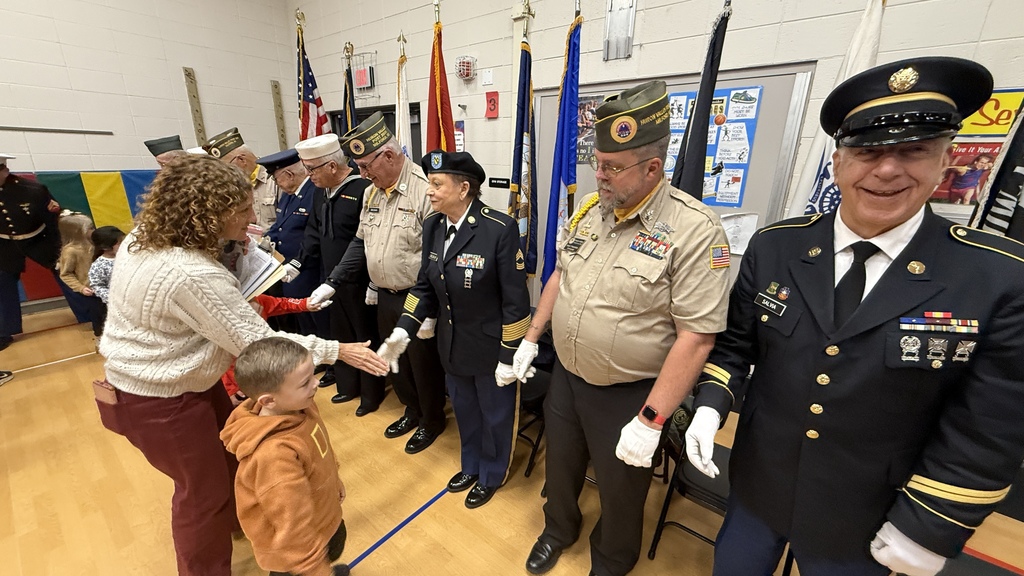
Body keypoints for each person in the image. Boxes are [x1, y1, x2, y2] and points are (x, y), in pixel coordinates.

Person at [684, 57, 1024, 576]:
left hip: (875, 514)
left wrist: (931, 525)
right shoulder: (777, 247)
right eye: (867, 152)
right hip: (759, 485)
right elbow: (735, 347)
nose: (887, 170)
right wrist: (710, 405)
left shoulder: (996, 277)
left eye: (913, 151)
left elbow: (990, 428)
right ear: (839, 162)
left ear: (944, 161)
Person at [98, 154, 387, 576]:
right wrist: (337, 351)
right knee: (202, 496)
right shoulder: (189, 273)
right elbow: (259, 343)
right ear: (205, 215)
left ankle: (245, 525)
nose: (252, 217)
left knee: (233, 459)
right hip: (160, 396)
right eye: (239, 212)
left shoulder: (147, 235)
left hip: (186, 378)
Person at [513, 80, 732, 576]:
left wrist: (652, 418)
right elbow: (559, 277)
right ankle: (558, 529)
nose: (600, 175)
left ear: (652, 168)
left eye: (613, 167)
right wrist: (530, 339)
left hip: (630, 393)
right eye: (598, 162)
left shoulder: (695, 231)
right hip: (569, 378)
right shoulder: (592, 212)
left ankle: (611, 560)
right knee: (562, 465)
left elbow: (697, 337)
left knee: (620, 487)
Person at [380, 150, 531, 508]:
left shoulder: (499, 229)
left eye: (436, 184)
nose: (429, 192)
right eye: (430, 183)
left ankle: (492, 473)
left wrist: (510, 356)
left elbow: (516, 302)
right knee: (464, 410)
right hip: (451, 345)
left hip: (491, 348)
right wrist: (404, 329)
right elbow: (424, 287)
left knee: (495, 416)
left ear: (464, 189)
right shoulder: (433, 225)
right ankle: (472, 464)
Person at [309, 112, 447, 454]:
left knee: (422, 365)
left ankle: (431, 419)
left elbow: (436, 255)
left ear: (388, 155)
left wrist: (427, 308)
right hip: (383, 295)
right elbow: (360, 242)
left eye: (367, 166)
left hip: (416, 299)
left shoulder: (424, 190)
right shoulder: (372, 192)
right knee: (394, 363)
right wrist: (334, 281)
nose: (362, 174)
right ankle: (411, 410)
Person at [221, 337, 351, 576]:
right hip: (296, 554)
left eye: (313, 375)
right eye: (305, 383)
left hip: (322, 519)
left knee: (333, 548)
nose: (316, 384)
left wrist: (335, 475)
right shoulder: (274, 455)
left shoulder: (302, 406)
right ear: (268, 400)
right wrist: (316, 570)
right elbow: (292, 527)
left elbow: (319, 445)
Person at [291, 134, 384, 412]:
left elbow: (368, 240)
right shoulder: (322, 191)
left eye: (312, 169)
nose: (309, 176)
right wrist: (299, 261)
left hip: (359, 281)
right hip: (331, 279)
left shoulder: (362, 189)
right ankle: (348, 385)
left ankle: (371, 394)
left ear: (332, 166)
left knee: (364, 337)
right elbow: (314, 232)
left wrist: (374, 283)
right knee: (339, 335)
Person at [257, 148, 323, 337]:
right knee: (302, 325)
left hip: (308, 272)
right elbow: (280, 227)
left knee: (317, 325)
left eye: (276, 178)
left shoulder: (314, 193)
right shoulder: (288, 194)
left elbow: (313, 235)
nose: (276, 183)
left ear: (289, 174)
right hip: (288, 273)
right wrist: (264, 241)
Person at [221, 293, 330, 405]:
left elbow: (281, 304)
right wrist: (229, 389)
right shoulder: (217, 316)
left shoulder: (257, 300)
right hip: (238, 382)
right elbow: (220, 358)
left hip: (268, 370)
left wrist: (304, 304)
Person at [0, 153, 62, 351]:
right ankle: (4, 332)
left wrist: (59, 247)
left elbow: (52, 220)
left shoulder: (31, 189)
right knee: (2, 284)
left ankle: (90, 316)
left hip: (38, 239)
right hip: (4, 244)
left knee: (65, 272)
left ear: (5, 170)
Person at [204, 127, 281, 230]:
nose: (224, 173)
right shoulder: (231, 187)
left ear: (241, 160)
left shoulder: (275, 179)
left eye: (227, 167)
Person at [57, 213, 105, 338]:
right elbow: (66, 274)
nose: (93, 231)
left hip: (106, 287)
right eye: (90, 228)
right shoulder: (71, 251)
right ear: (77, 232)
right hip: (92, 292)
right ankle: (101, 341)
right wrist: (81, 287)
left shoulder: (96, 244)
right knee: (99, 321)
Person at [88, 225, 126, 305]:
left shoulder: (129, 256)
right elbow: (97, 286)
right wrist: (113, 299)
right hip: (119, 304)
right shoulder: (99, 265)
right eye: (120, 243)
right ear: (105, 247)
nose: (124, 245)